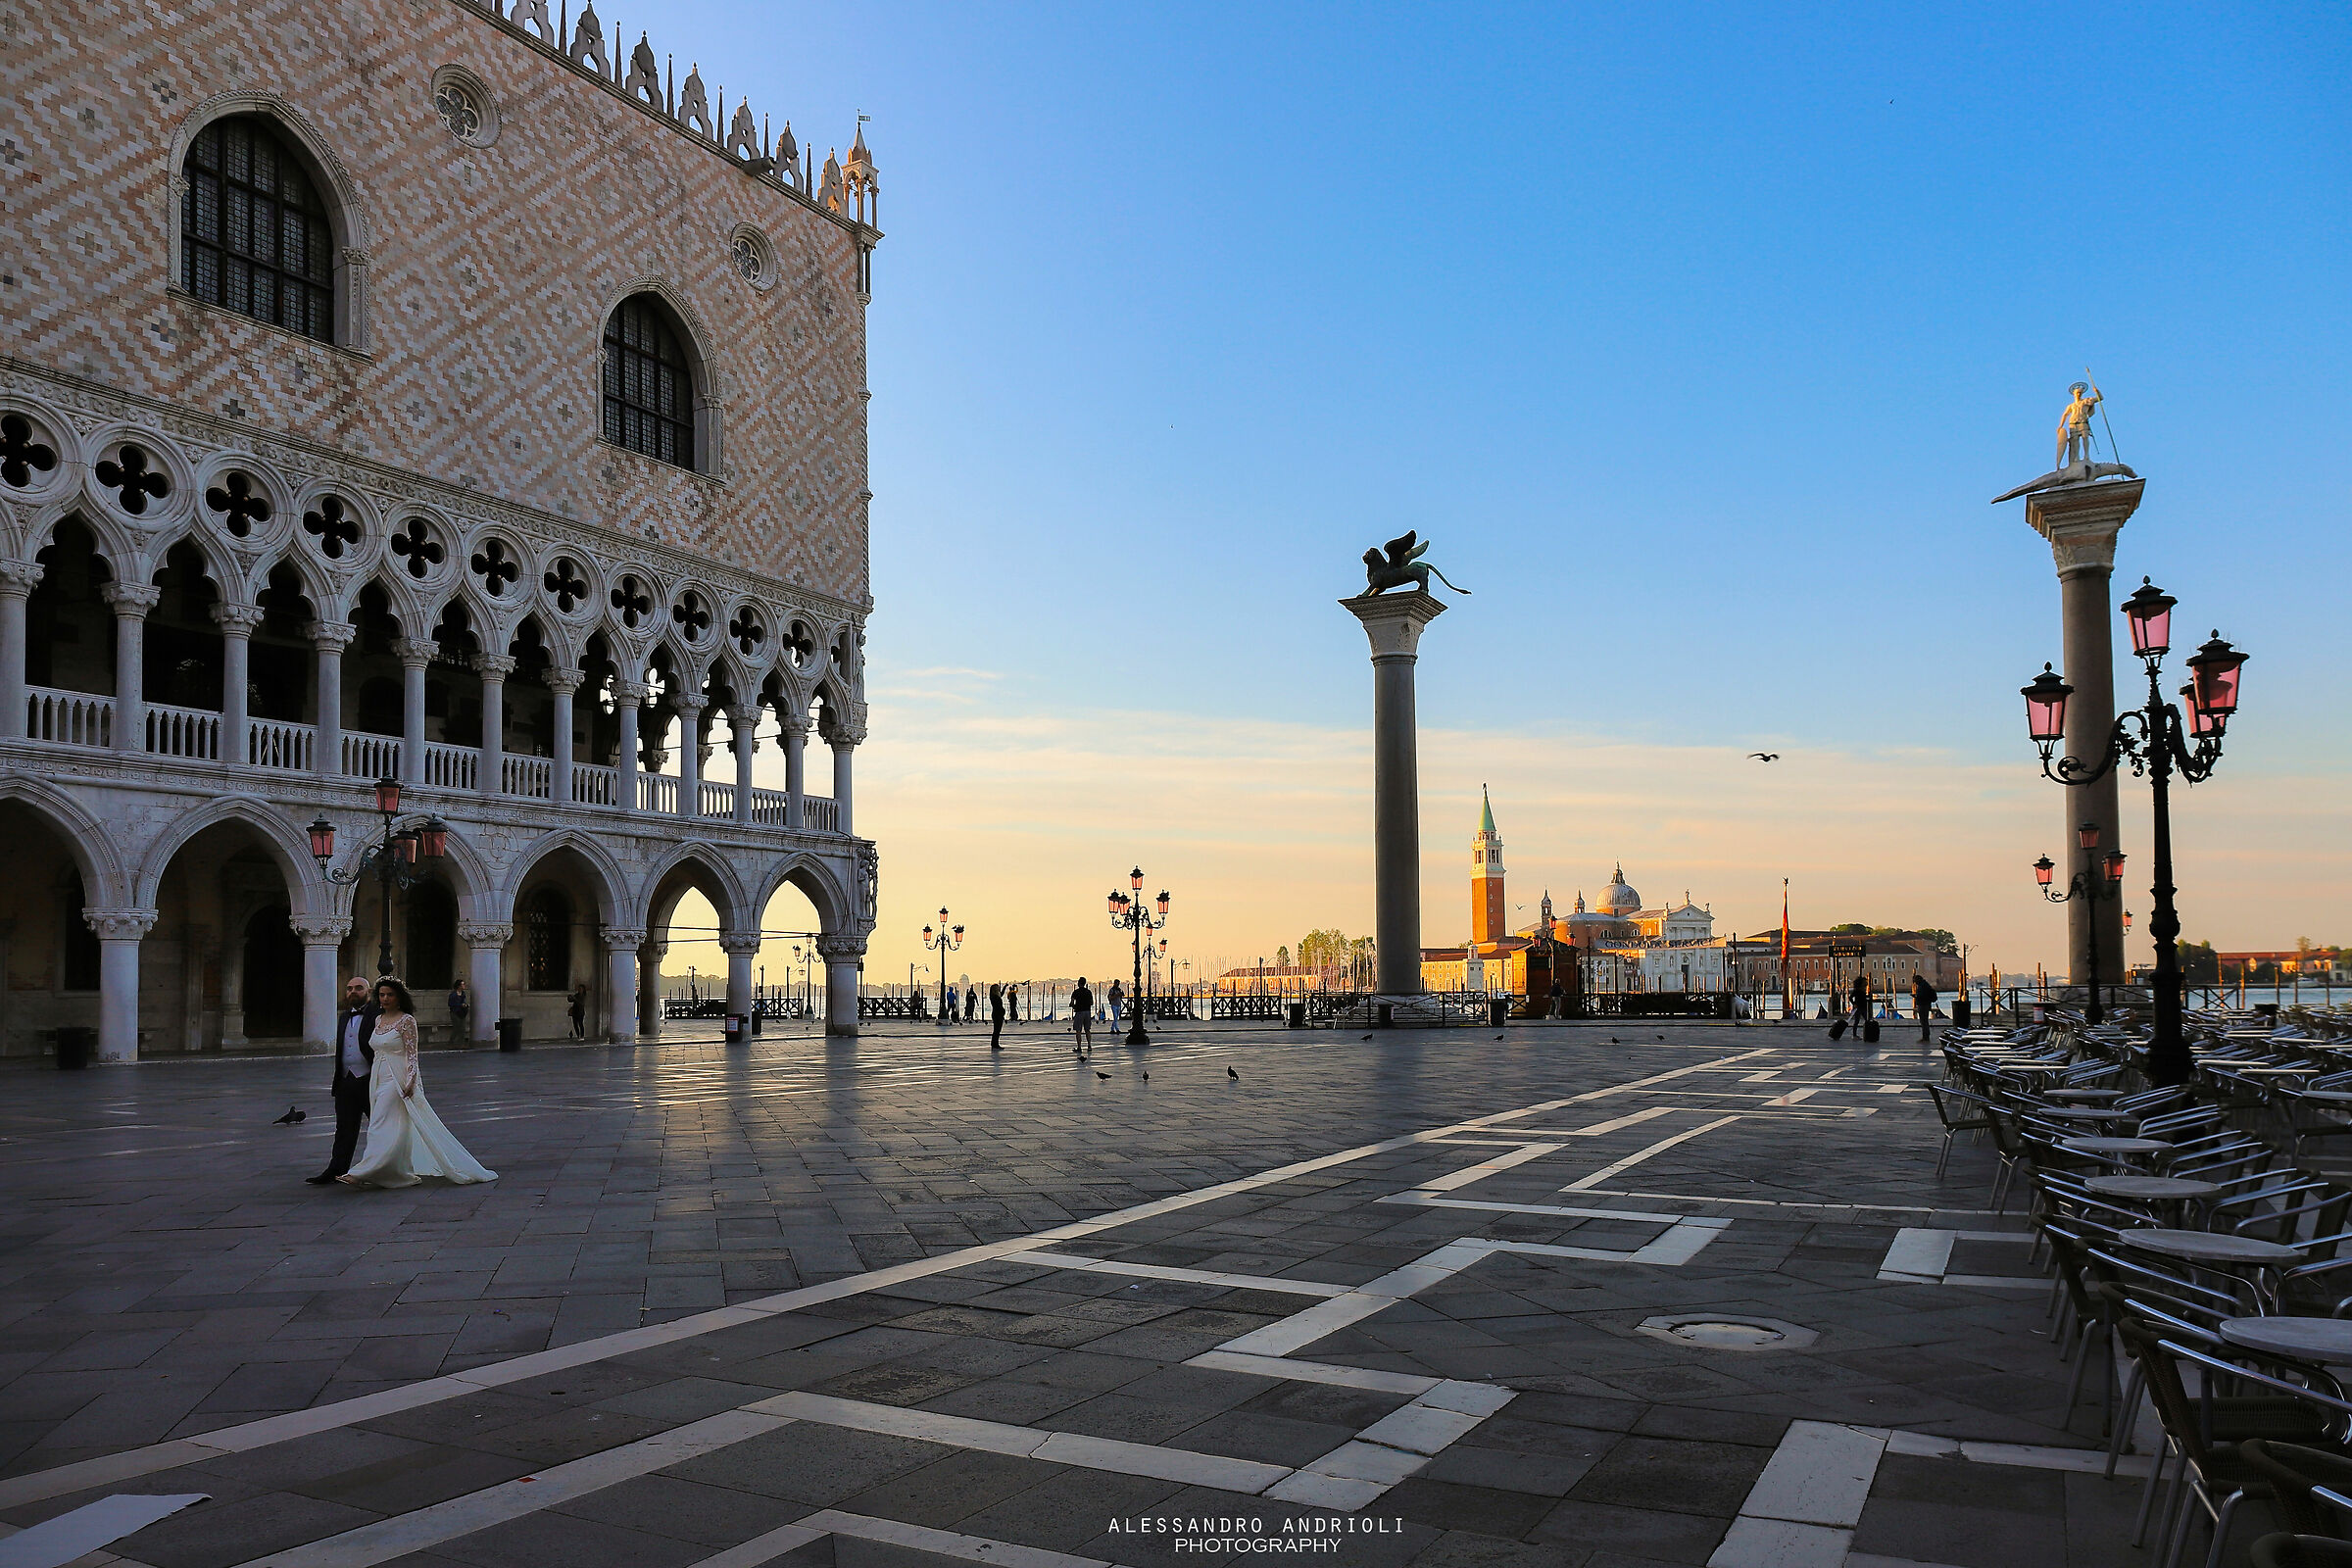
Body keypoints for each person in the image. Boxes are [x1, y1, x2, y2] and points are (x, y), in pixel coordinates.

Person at [340, 977, 498, 1189]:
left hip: (398, 1078)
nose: (385, 999)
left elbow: (412, 1055)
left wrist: (411, 1081)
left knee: (380, 1126)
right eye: (382, 995)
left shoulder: (407, 1021)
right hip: (378, 1076)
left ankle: (364, 1171)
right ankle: (395, 1172)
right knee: (383, 1123)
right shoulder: (378, 1020)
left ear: (399, 997)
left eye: (390, 995)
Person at [309, 976, 378, 1185]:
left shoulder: (378, 1014)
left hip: (370, 1080)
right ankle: (336, 1169)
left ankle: (384, 1167)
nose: (353, 992)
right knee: (344, 1129)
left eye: (358, 988)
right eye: (349, 988)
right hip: (346, 1081)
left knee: (380, 1127)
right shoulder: (343, 1016)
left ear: (369, 991)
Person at [1070, 976, 1094, 1056]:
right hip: (1087, 1012)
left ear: (1079, 983)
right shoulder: (1088, 992)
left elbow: (1072, 1002)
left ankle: (1079, 1047)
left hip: (1079, 1012)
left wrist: (1074, 1006)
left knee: (1078, 1030)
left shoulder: (1076, 992)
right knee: (1087, 1030)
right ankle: (1089, 1045)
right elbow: (1091, 1003)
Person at [1912, 973, 1936, 1043]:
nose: (1915, 983)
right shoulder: (1925, 985)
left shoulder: (1922, 986)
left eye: (1915, 981)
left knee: (1924, 1021)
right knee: (1924, 1021)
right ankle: (1926, 1036)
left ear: (1918, 980)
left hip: (1923, 1005)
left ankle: (1925, 1037)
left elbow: (1922, 996)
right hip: (1925, 1005)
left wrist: (1916, 996)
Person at [448, 978, 469, 1042]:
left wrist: (465, 1005)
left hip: (462, 1012)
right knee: (456, 1028)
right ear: (459, 986)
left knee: (462, 1028)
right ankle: (452, 1042)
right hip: (455, 1012)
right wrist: (460, 1005)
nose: (464, 986)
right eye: (462, 984)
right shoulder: (453, 995)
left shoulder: (463, 993)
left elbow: (463, 1001)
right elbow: (450, 1004)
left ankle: (461, 1042)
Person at [989, 982, 1005, 1051]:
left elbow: (1001, 994)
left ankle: (994, 1043)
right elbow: (998, 1006)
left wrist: (1005, 987)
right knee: (997, 1030)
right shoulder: (995, 997)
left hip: (997, 1014)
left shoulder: (994, 996)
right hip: (997, 1014)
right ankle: (995, 1044)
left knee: (996, 1030)